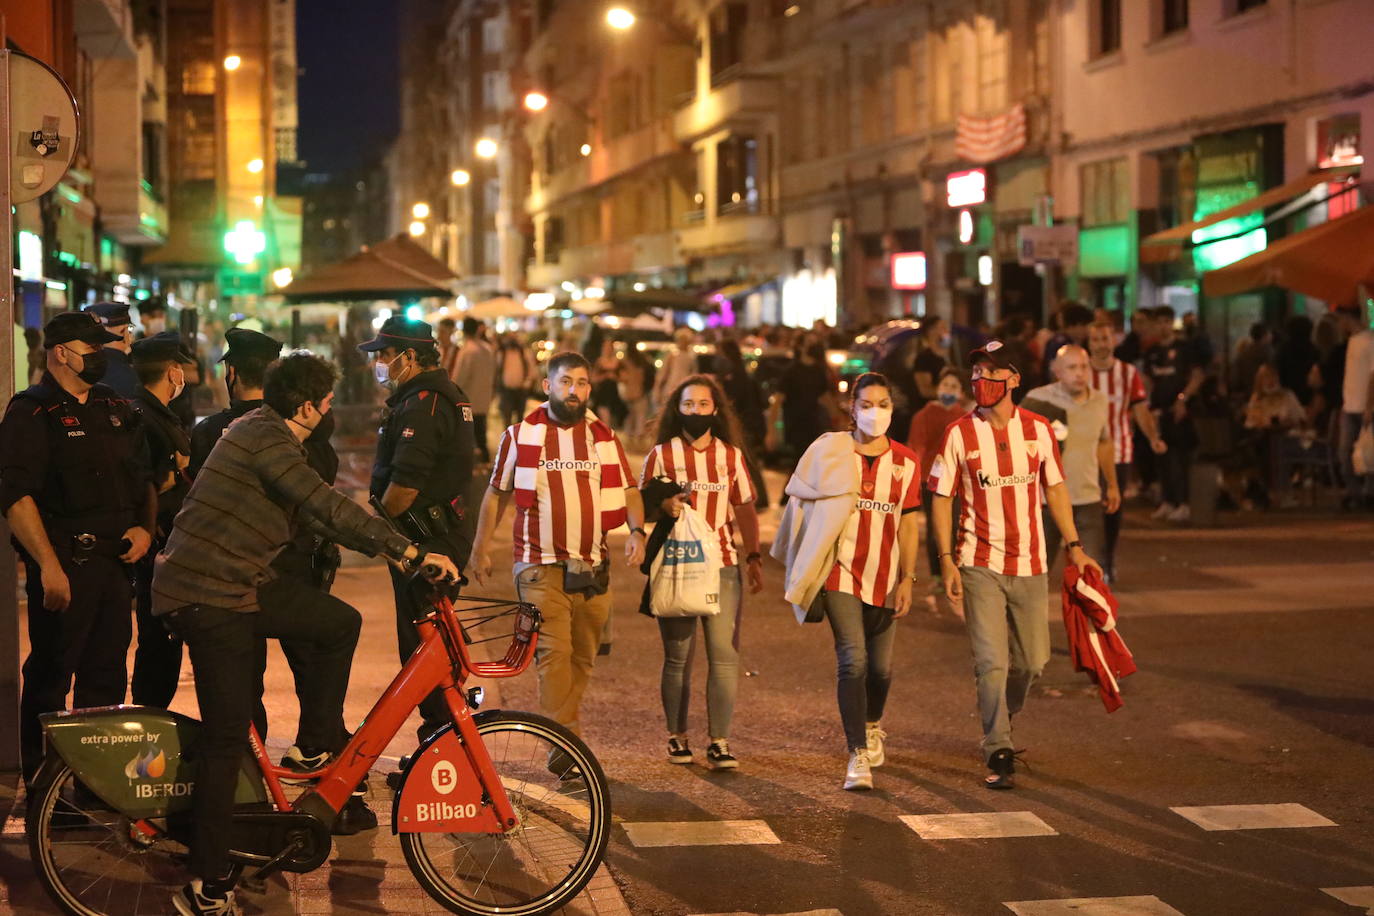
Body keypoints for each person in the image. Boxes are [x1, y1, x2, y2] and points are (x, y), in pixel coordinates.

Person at [152, 351, 459, 916]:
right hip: (208, 595)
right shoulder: (264, 438)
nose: (329, 411)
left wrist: (395, 554)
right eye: (326, 402)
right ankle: (207, 883)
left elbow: (318, 516)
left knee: (338, 621)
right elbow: (322, 502)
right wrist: (410, 549)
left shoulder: (264, 433)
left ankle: (317, 743)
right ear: (308, 406)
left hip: (236, 587)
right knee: (226, 739)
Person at [928, 340, 1103, 790]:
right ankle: (998, 745)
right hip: (977, 562)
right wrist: (946, 559)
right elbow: (942, 497)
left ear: (1014, 379)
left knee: (1032, 663)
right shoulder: (959, 434)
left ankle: (1002, 714)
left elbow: (1057, 489)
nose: (981, 382)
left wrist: (1075, 544)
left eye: (992, 372)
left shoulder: (1040, 429)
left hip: (1030, 563)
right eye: (977, 373)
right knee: (992, 661)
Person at [0, 312, 156, 783]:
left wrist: (144, 529)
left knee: (106, 677)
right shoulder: (32, 411)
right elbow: (16, 496)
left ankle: (95, 787)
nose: (101, 358)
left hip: (114, 564)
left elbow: (142, 476)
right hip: (67, 562)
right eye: (92, 351)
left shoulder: (113, 405)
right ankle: (46, 790)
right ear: (61, 353)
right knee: (52, 678)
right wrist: (47, 566)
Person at [471, 352, 647, 752]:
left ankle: (561, 737)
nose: (574, 390)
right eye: (566, 381)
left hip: (592, 565)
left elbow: (629, 489)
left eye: (582, 383)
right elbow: (496, 493)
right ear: (547, 385)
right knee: (553, 654)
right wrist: (480, 549)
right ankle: (567, 751)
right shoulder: (520, 435)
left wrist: (637, 530)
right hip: (538, 564)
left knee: (582, 658)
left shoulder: (602, 436)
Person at [360, 316, 476, 741]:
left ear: (410, 356)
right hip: (433, 536)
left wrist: (376, 529)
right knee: (426, 646)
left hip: (429, 542)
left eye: (385, 355)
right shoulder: (429, 396)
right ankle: (440, 737)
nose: (379, 363)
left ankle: (443, 740)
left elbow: (406, 485)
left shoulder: (425, 403)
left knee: (425, 650)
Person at [640, 375, 763, 770]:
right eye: (688, 405)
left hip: (724, 564)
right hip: (677, 563)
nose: (696, 412)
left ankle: (720, 740)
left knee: (724, 655)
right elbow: (641, 504)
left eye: (703, 405)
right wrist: (661, 509)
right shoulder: (661, 455)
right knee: (678, 656)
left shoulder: (730, 456)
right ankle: (677, 736)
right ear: (678, 408)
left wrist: (755, 556)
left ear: (716, 410)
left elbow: (744, 506)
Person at [128, 332, 198, 709]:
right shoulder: (144, 417)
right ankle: (148, 718)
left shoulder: (156, 413)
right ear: (172, 372)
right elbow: (149, 483)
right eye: (181, 369)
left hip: (170, 545)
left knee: (164, 643)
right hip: (158, 547)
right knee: (158, 642)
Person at [1021, 346, 1120, 564]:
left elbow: (1104, 443)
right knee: (1037, 571)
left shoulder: (1099, 401)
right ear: (1057, 371)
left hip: (1088, 498)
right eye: (1072, 367)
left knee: (1089, 571)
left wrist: (1112, 484)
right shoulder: (1037, 401)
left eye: (1084, 367)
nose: (1079, 373)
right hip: (1047, 500)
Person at [1087, 321, 1166, 581]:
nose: (1101, 344)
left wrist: (1153, 437)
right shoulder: (1080, 373)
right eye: (1096, 339)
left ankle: (1107, 558)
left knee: (1112, 509)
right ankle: (1088, 560)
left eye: (1105, 339)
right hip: (1084, 453)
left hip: (1119, 451)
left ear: (1114, 341)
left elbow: (1140, 409)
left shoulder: (1128, 373)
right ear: (1089, 343)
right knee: (1084, 509)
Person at [907, 367, 971, 608]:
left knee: (956, 524)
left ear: (961, 392)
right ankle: (937, 573)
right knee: (936, 529)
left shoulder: (964, 416)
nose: (948, 391)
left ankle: (954, 569)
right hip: (929, 479)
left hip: (956, 480)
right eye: (945, 386)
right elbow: (917, 447)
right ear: (937, 388)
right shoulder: (923, 415)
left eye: (954, 387)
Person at [1142, 308, 1204, 522]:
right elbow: (1147, 380)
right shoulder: (1152, 352)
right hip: (1159, 412)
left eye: (1166, 321)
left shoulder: (1185, 349)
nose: (1163, 326)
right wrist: (1148, 407)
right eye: (1158, 322)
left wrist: (1183, 399)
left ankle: (1184, 502)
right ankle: (1167, 501)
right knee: (1162, 456)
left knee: (1181, 457)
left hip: (1179, 412)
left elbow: (1196, 376)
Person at [714, 338, 770, 507]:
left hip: (744, 424)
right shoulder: (737, 373)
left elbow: (733, 402)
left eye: (720, 353)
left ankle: (758, 499)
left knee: (748, 462)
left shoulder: (735, 375)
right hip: (744, 424)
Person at [1336, 304, 1374, 510]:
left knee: (1367, 453)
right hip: (1349, 406)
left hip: (1363, 406)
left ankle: (1366, 493)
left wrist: (1369, 406)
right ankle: (1356, 493)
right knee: (1345, 453)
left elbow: (1372, 376)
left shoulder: (1369, 341)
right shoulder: (1351, 342)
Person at [452, 317, 495, 463]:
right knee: (481, 434)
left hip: (468, 400)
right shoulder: (487, 349)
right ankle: (486, 461)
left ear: (463, 330)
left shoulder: (467, 350)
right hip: (484, 398)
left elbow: (459, 378)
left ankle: (473, 464)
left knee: (468, 436)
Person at [82, 301, 140, 397]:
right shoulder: (128, 376)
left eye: (129, 330)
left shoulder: (76, 369)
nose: (129, 338)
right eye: (122, 331)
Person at [652, 326, 699, 410]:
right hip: (671, 387)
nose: (683, 342)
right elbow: (663, 373)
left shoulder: (691, 357)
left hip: (684, 387)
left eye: (685, 340)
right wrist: (658, 388)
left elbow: (693, 373)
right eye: (681, 339)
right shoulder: (672, 356)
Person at [496, 334, 534, 428]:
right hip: (506, 390)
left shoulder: (523, 352)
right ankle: (508, 439)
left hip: (520, 389)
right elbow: (497, 370)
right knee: (507, 417)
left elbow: (531, 369)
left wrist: (527, 383)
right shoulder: (502, 353)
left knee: (519, 417)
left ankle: (517, 439)